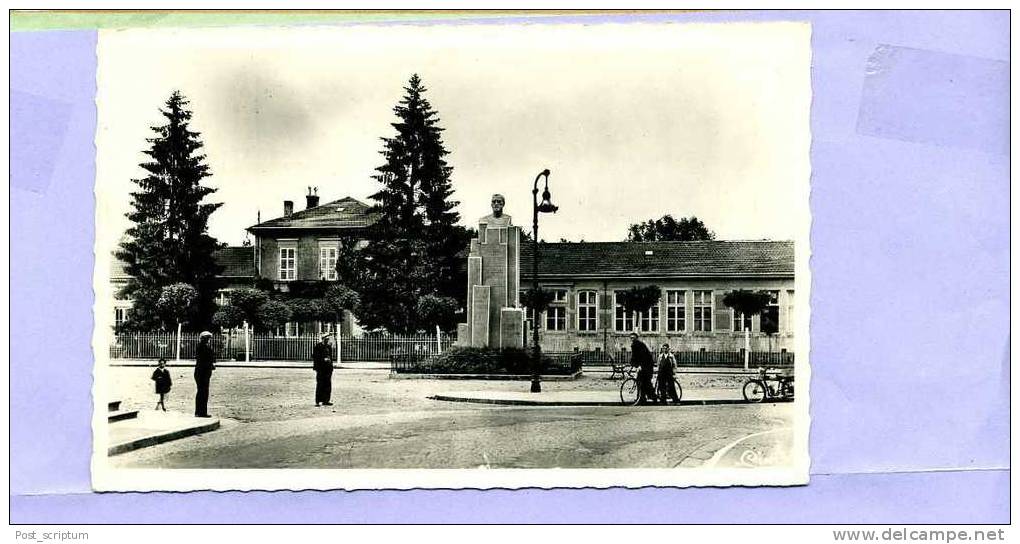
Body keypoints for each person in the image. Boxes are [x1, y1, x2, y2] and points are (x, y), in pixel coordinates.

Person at [629, 332, 657, 404]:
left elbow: (643, 356)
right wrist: (632, 365)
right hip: (643, 366)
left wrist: (640, 365)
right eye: (631, 338)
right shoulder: (634, 345)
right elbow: (634, 357)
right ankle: (643, 398)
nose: (632, 339)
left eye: (633, 338)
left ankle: (649, 397)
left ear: (636, 338)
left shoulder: (639, 345)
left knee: (644, 382)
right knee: (641, 382)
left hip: (647, 366)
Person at [194, 331, 216, 418]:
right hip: (202, 372)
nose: (209, 340)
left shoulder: (203, 347)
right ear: (204, 339)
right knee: (203, 392)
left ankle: (199, 411)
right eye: (208, 338)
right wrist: (210, 365)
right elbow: (203, 360)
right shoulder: (202, 347)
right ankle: (201, 412)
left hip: (203, 372)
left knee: (202, 391)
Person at [312, 334, 334, 407]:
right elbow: (315, 357)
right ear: (323, 339)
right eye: (326, 339)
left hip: (328, 369)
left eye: (328, 339)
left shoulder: (328, 347)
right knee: (320, 384)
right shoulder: (318, 347)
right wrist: (323, 359)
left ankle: (326, 400)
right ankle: (318, 401)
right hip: (321, 369)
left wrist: (331, 366)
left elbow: (330, 357)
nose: (327, 340)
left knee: (328, 385)